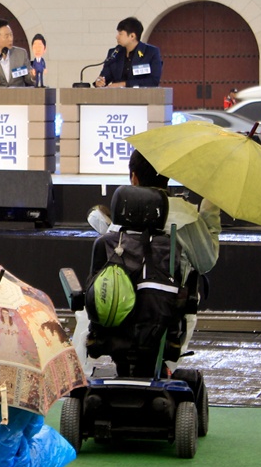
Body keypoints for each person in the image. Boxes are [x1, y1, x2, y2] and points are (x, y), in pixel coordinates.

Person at [71, 150, 220, 371]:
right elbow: (206, 261)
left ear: (134, 178)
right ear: (166, 178)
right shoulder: (186, 217)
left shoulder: (122, 215)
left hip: (112, 320)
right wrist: (210, 209)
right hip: (166, 321)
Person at [94, 16, 162, 88]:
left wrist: (125, 84)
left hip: (141, 96)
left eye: (120, 34)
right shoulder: (114, 52)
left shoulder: (151, 52)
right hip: (116, 97)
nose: (117, 37)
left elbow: (153, 81)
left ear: (132, 36)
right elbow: (105, 76)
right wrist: (99, 81)